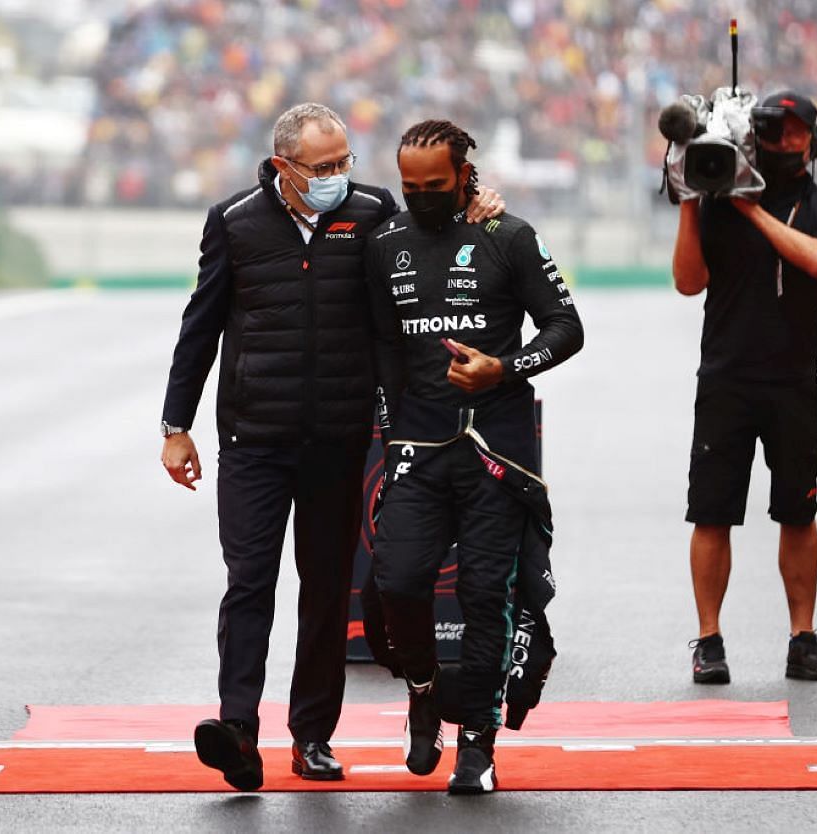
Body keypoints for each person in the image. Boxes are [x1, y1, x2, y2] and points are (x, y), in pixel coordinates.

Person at [160, 103, 503, 791]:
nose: (338, 176)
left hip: (340, 441)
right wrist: (176, 427)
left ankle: (311, 737)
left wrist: (477, 212)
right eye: (324, 167)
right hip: (254, 440)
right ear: (283, 167)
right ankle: (237, 731)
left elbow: (422, 271)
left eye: (345, 161)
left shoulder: (373, 213)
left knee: (324, 592)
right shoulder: (233, 223)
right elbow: (200, 328)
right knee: (250, 584)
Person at [365, 119, 583, 794]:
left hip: (497, 453)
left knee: (488, 598)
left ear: (466, 175)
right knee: (397, 581)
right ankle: (425, 692)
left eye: (436, 185)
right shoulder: (385, 244)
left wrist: (504, 369)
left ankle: (479, 746)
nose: (422, 196)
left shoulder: (507, 236)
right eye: (410, 186)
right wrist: (390, 424)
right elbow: (378, 349)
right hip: (418, 449)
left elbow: (567, 328)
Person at [670, 91, 817, 684]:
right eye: (774, 131)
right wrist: (688, 201)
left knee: (798, 512)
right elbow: (687, 282)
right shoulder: (715, 205)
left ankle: (803, 639)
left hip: (793, 380)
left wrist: (749, 208)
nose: (785, 140)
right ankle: (708, 640)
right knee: (711, 513)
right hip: (725, 378)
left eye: (798, 130)